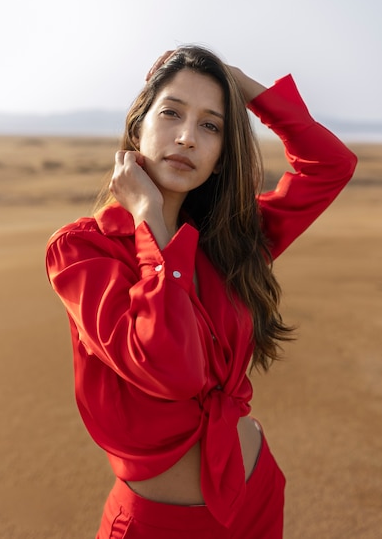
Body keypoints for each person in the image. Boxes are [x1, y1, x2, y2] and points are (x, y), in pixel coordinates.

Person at [46, 45, 357, 538]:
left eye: (211, 125)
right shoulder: (85, 251)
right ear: (136, 129)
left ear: (220, 155)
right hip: (157, 526)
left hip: (256, 495)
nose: (188, 138)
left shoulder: (231, 239)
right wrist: (150, 220)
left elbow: (330, 165)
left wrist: (238, 83)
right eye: (171, 113)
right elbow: (171, 367)